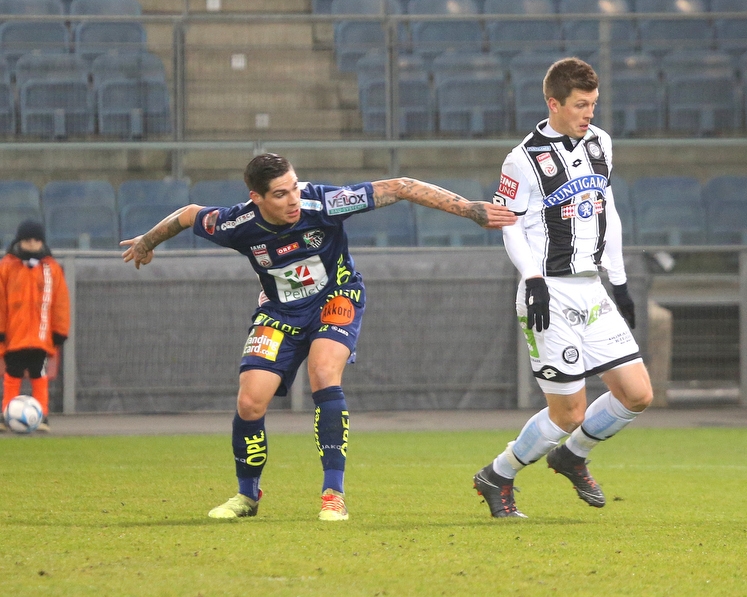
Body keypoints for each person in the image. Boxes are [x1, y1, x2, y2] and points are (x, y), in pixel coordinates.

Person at [120, 154, 515, 521]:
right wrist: (146, 243)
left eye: (295, 186)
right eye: (281, 193)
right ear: (255, 198)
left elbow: (401, 186)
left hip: (337, 297)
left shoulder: (323, 203)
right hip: (280, 311)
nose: (294, 199)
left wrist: (469, 210)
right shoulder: (235, 225)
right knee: (249, 400)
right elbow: (189, 215)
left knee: (324, 373)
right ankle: (247, 496)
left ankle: (333, 494)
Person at [473, 57, 654, 518]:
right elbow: (510, 226)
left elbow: (606, 210)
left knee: (637, 394)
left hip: (592, 289)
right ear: (554, 103)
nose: (588, 114)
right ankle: (499, 474)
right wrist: (532, 279)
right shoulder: (523, 158)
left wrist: (620, 279)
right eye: (580, 105)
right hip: (549, 292)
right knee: (568, 412)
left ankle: (571, 455)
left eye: (593, 104)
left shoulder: (600, 143)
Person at [0, 220, 71, 434]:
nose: (32, 244)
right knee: (12, 376)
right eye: (27, 240)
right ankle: (6, 415)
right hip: (14, 335)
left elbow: (60, 303)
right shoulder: (7, 267)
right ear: (19, 241)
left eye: (36, 240)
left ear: (42, 242)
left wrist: (60, 331)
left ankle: (41, 416)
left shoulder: (52, 268)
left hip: (41, 337)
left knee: (39, 376)